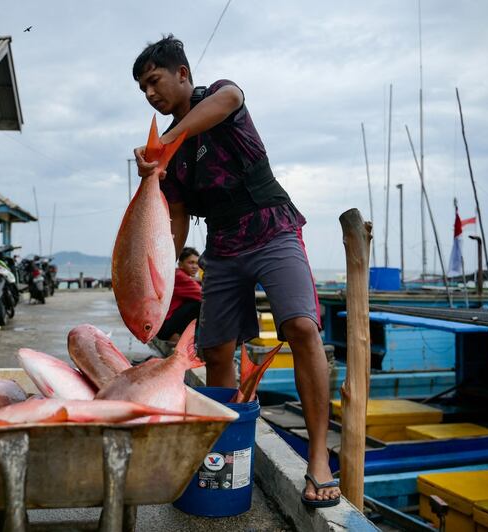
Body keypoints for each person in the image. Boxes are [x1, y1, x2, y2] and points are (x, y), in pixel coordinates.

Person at [132, 35, 340, 507]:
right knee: (215, 348)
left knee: (302, 327)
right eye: (143, 89)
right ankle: (222, 455)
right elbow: (179, 217)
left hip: (272, 229)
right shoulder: (175, 159)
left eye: (154, 81)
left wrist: (163, 142)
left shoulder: (218, 97)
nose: (149, 94)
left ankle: (319, 459)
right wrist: (156, 264)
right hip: (222, 247)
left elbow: (231, 99)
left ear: (182, 74)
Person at [157, 247, 202, 343]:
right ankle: (178, 336)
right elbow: (203, 295)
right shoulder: (180, 277)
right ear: (180, 264)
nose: (195, 266)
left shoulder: (178, 274)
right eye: (191, 263)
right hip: (166, 328)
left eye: (197, 263)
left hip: (162, 326)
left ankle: (180, 335)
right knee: (200, 304)